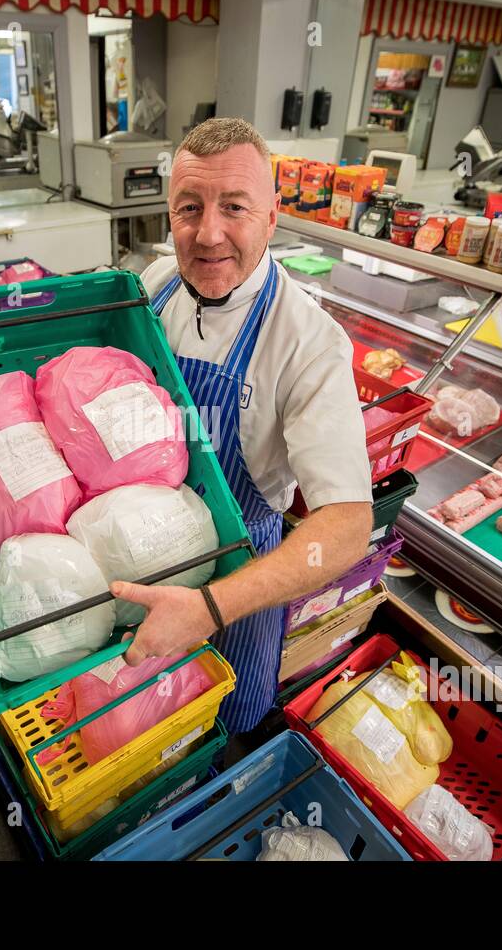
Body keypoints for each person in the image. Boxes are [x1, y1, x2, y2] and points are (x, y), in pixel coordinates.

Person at [111, 118, 373, 733]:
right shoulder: (156, 287)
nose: (208, 234)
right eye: (189, 208)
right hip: (140, 547)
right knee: (134, 735)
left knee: (219, 733)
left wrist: (208, 607)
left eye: (234, 207)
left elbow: (346, 528)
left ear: (273, 216)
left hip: (238, 582)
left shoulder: (308, 342)